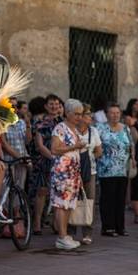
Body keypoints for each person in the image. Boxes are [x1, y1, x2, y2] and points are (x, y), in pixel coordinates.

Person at [49, 99, 87, 251]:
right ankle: (62, 236)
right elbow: (54, 149)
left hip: (73, 171)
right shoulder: (60, 128)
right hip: (62, 171)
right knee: (61, 204)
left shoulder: (75, 129)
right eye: (76, 114)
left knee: (69, 204)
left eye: (81, 114)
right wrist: (75, 146)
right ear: (67, 113)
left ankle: (64, 236)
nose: (79, 117)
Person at [96, 103, 134, 237]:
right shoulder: (100, 128)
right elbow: (96, 146)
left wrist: (133, 160)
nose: (115, 115)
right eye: (112, 113)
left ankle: (120, 227)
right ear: (106, 115)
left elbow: (131, 145)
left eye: (117, 113)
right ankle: (107, 227)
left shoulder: (125, 128)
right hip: (106, 168)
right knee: (108, 198)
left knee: (120, 199)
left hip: (122, 169)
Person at [30, 95, 63, 235]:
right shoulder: (40, 123)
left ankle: (57, 223)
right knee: (42, 191)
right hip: (44, 160)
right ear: (46, 106)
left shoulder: (63, 122)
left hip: (61, 161)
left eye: (56, 104)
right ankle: (37, 222)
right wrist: (52, 157)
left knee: (57, 192)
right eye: (51, 104)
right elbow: (39, 145)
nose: (54, 106)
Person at [73, 104, 102, 245]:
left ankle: (87, 233)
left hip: (90, 170)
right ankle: (70, 232)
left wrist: (90, 157)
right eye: (88, 114)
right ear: (81, 117)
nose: (91, 117)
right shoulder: (72, 131)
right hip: (72, 171)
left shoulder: (94, 131)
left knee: (89, 201)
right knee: (72, 200)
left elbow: (99, 151)